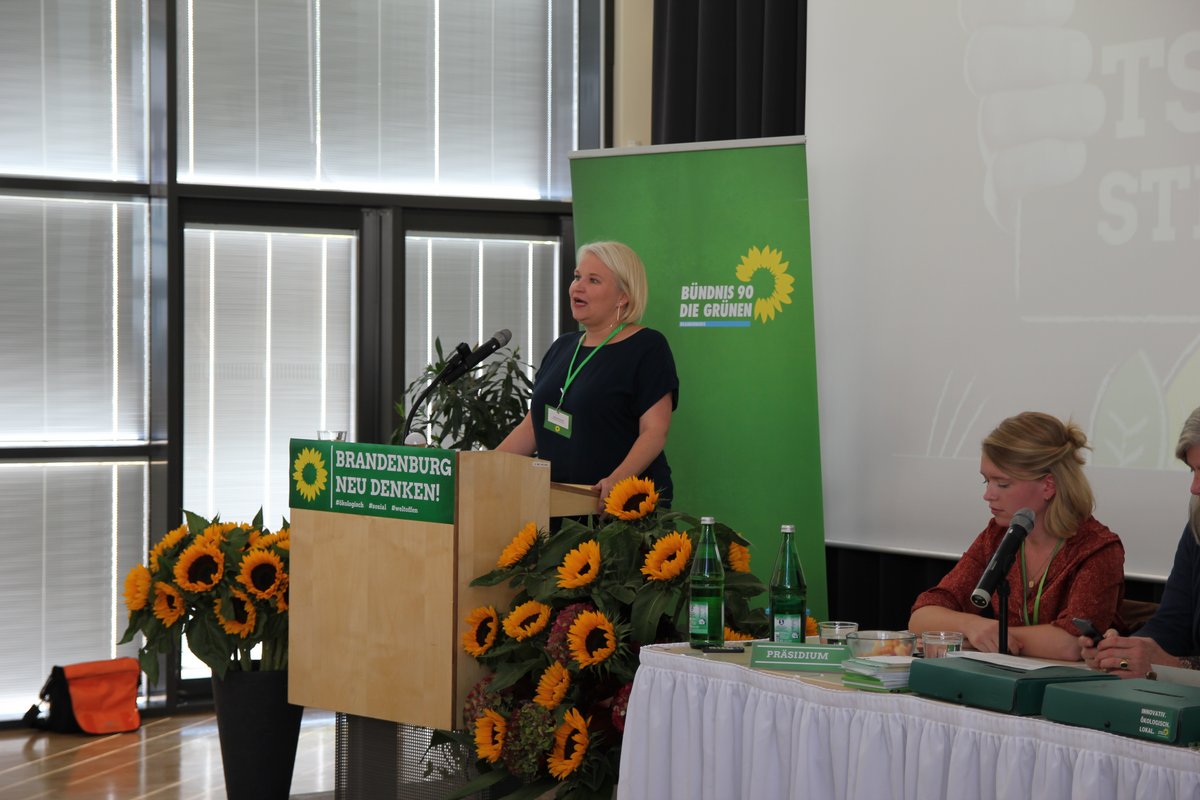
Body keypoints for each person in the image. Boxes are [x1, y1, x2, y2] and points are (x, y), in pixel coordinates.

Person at [909, 411, 1125, 660]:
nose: (988, 495)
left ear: (1048, 486)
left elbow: (1071, 643)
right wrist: (973, 626)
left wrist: (986, 638)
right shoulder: (997, 534)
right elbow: (922, 616)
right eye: (986, 482)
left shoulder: (1097, 549)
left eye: (1002, 484)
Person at [497, 241, 678, 511]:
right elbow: (533, 427)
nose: (577, 287)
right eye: (577, 277)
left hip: (622, 506)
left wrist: (617, 481)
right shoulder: (562, 347)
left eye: (593, 280)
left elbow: (654, 431)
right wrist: (481, 467)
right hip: (558, 504)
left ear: (623, 296)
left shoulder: (647, 347)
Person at [1081, 406, 1200, 678]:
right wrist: (1123, 651)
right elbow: (1171, 625)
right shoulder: (1197, 527)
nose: (1194, 487)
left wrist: (1175, 666)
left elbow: (1171, 659)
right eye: (1192, 470)